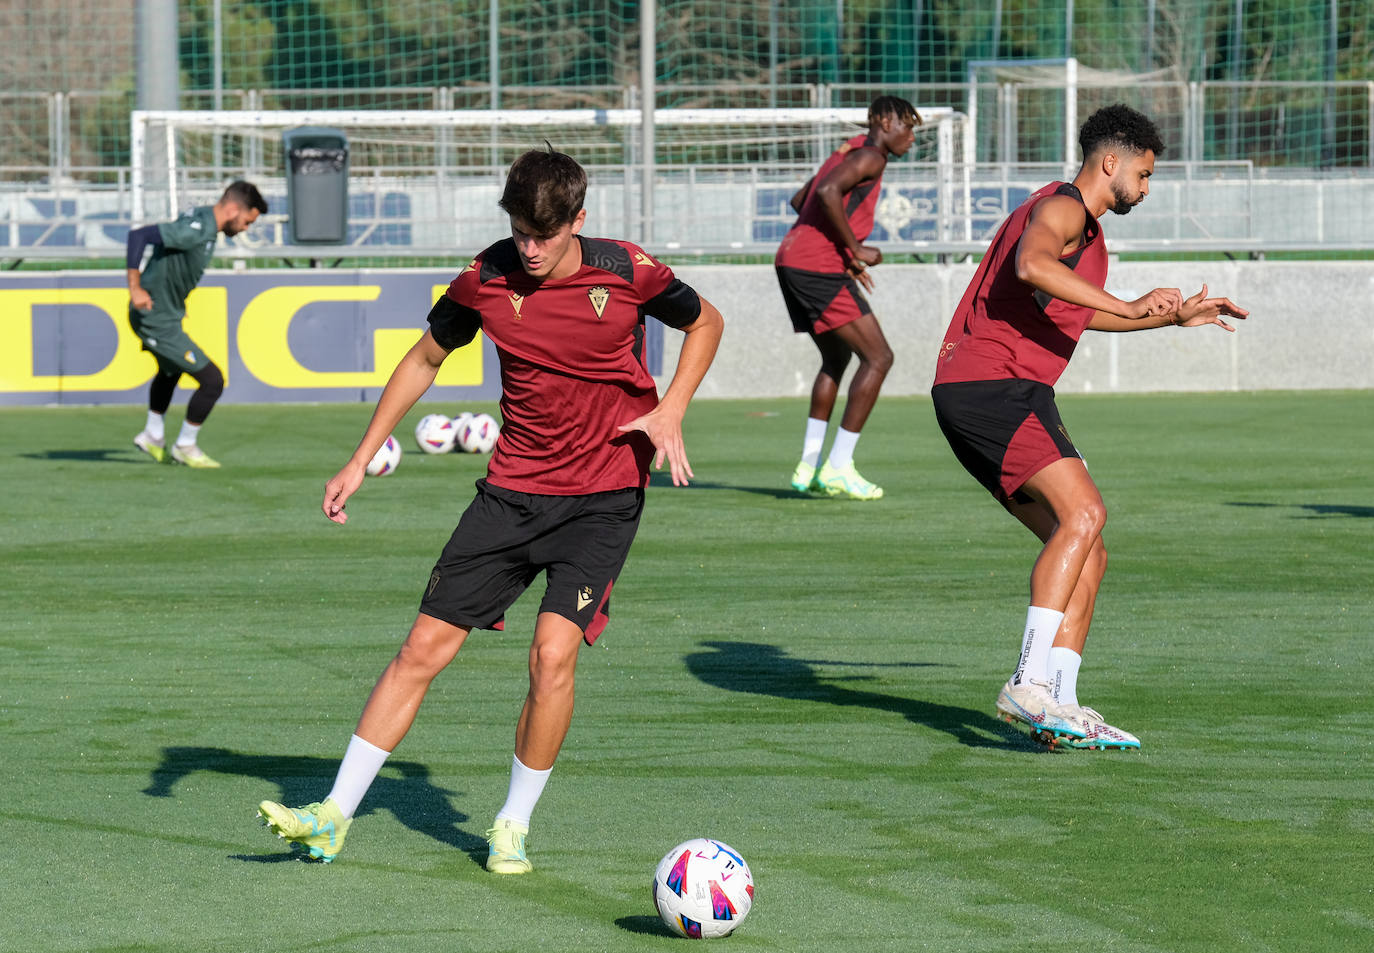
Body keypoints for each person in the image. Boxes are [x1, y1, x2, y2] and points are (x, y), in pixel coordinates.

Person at [257, 148, 724, 871]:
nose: (529, 249)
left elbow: (707, 323)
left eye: (545, 235)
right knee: (420, 649)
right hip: (510, 493)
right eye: (519, 232)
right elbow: (423, 359)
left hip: (603, 496)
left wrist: (672, 408)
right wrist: (360, 456)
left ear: (579, 220)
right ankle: (331, 815)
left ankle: (511, 822)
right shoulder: (484, 277)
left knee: (551, 655)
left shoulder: (628, 270)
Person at [930, 104, 1248, 750]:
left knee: (1090, 549)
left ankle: (1061, 703)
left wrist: (1165, 318)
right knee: (1086, 515)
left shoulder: (1087, 232)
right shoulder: (1064, 208)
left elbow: (1064, 309)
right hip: (992, 386)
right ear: (1113, 163)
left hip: (1003, 390)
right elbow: (1032, 264)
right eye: (1146, 173)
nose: (1148, 187)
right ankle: (1026, 681)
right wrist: (1130, 302)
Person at [775, 95, 921, 500]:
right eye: (908, 127)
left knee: (836, 358)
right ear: (886, 121)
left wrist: (843, 253)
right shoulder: (871, 156)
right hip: (815, 266)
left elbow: (800, 200)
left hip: (792, 258)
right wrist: (854, 248)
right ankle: (838, 465)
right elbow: (825, 192)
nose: (911, 137)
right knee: (879, 357)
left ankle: (808, 466)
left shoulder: (848, 149)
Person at [126, 180, 267, 468]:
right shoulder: (199, 228)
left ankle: (153, 434)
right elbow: (139, 236)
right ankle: (185, 445)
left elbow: (171, 263)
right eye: (246, 221)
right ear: (231, 209)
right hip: (155, 320)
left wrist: (174, 300)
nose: (244, 229)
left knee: (171, 370)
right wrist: (135, 287)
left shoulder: (203, 223)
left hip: (167, 315)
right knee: (213, 381)